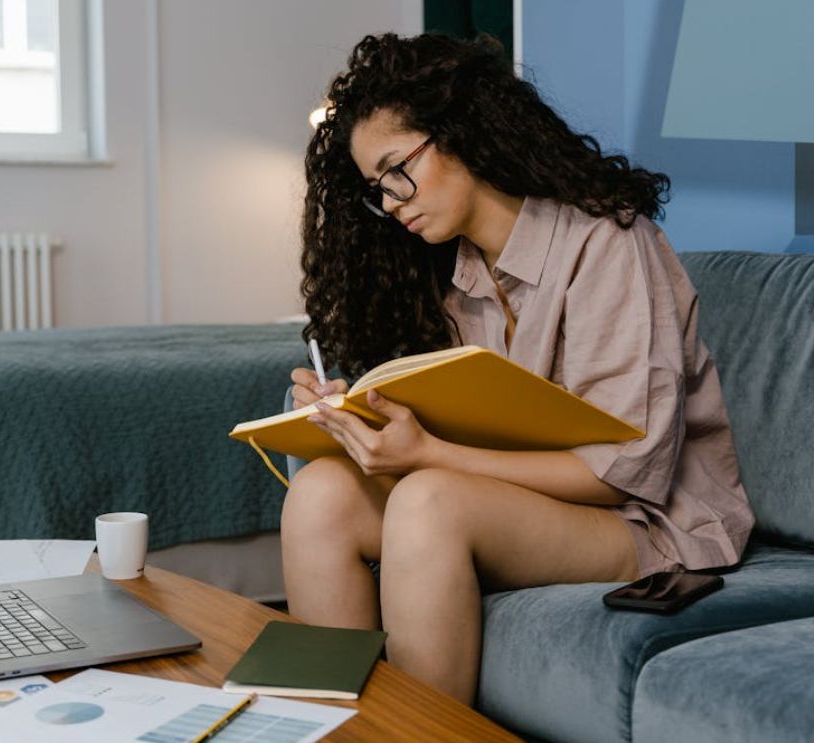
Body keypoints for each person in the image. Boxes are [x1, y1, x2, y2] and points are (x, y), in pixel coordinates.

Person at [282, 32, 754, 705]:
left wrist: (427, 455)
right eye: (374, 189)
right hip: (531, 504)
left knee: (426, 497)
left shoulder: (608, 243)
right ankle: (334, 724)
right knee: (319, 494)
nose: (389, 201)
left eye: (396, 170)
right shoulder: (461, 280)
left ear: (462, 133)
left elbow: (624, 466)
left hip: (647, 519)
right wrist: (355, 415)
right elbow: (482, 431)